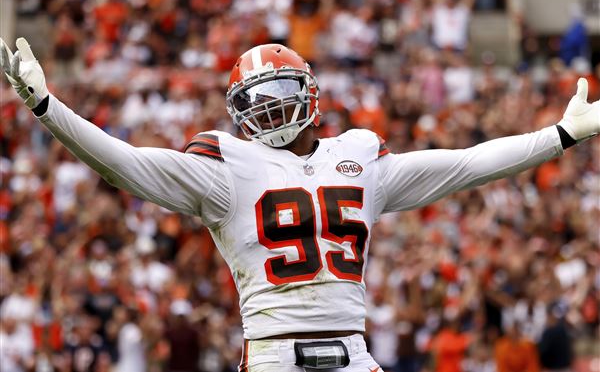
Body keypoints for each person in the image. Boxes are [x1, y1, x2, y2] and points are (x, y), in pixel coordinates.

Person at [2, 38, 599, 372]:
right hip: (274, 356)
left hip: (354, 351)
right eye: (255, 101)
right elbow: (123, 164)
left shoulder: (360, 157)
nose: (268, 111)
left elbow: (465, 164)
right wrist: (48, 109)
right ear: (237, 109)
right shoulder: (224, 168)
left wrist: (559, 136)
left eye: (280, 94)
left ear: (310, 94)